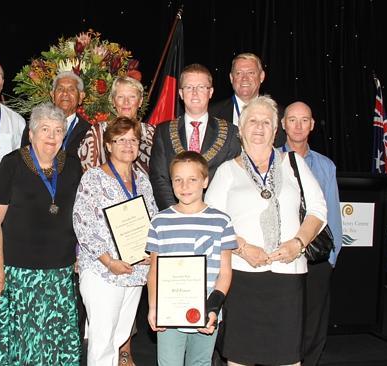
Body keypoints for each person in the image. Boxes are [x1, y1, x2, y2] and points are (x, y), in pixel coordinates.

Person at [205, 95, 327, 366]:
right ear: (241, 128)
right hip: (241, 277)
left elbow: (319, 209)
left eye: (266, 122)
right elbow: (212, 222)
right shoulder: (226, 171)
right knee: (240, 358)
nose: (259, 127)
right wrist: (243, 248)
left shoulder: (294, 163)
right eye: (252, 121)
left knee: (287, 358)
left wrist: (298, 243)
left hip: (288, 278)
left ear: (275, 130)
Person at [0, 102, 82, 365]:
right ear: (31, 133)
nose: (52, 137)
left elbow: (81, 217)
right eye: (45, 130)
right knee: (22, 345)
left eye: (58, 130)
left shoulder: (72, 165)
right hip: (18, 274)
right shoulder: (12, 164)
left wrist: (79, 255)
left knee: (55, 344)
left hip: (59, 274)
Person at [77, 75, 154, 365]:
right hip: (103, 271)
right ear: (108, 145)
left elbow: (152, 221)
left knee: (119, 335)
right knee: (102, 340)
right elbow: (83, 225)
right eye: (119, 140)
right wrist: (109, 261)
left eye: (132, 140)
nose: (127, 145)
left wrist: (149, 252)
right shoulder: (93, 178)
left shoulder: (143, 181)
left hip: (134, 272)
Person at [146, 151, 237, 366]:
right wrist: (153, 306)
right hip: (169, 314)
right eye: (178, 180)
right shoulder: (160, 221)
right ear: (171, 182)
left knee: (201, 362)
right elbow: (154, 270)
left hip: (205, 312)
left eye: (192, 180)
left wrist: (213, 307)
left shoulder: (222, 221)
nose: (184, 186)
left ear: (205, 181)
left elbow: (225, 272)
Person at [281, 101, 343, 366]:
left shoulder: (325, 166)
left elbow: (332, 216)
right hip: (282, 256)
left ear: (312, 125)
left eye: (304, 120)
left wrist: (332, 258)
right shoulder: (270, 161)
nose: (298, 125)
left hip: (317, 256)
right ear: (282, 124)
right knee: (283, 319)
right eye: (292, 119)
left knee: (314, 323)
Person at [150, 63, 241, 210]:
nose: (194, 93)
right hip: (175, 217)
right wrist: (176, 214)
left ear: (210, 92)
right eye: (189, 87)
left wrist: (213, 216)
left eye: (201, 87)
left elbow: (236, 181)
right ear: (180, 93)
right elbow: (159, 179)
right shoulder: (164, 132)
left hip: (217, 216)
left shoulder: (231, 133)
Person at [78, 76, 155, 174]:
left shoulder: (152, 133)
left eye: (132, 97)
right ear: (113, 101)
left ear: (140, 102)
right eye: (120, 97)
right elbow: (90, 174)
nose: (126, 102)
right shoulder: (98, 132)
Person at [212, 53, 286, 147]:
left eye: (251, 73)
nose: (244, 78)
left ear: (261, 76)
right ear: (231, 78)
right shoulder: (212, 114)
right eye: (239, 73)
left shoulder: (280, 115)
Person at [22, 71, 91, 158]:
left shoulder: (89, 131)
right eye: (60, 89)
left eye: (71, 89)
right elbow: (24, 159)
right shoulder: (35, 125)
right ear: (52, 95)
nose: (65, 93)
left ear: (81, 97)